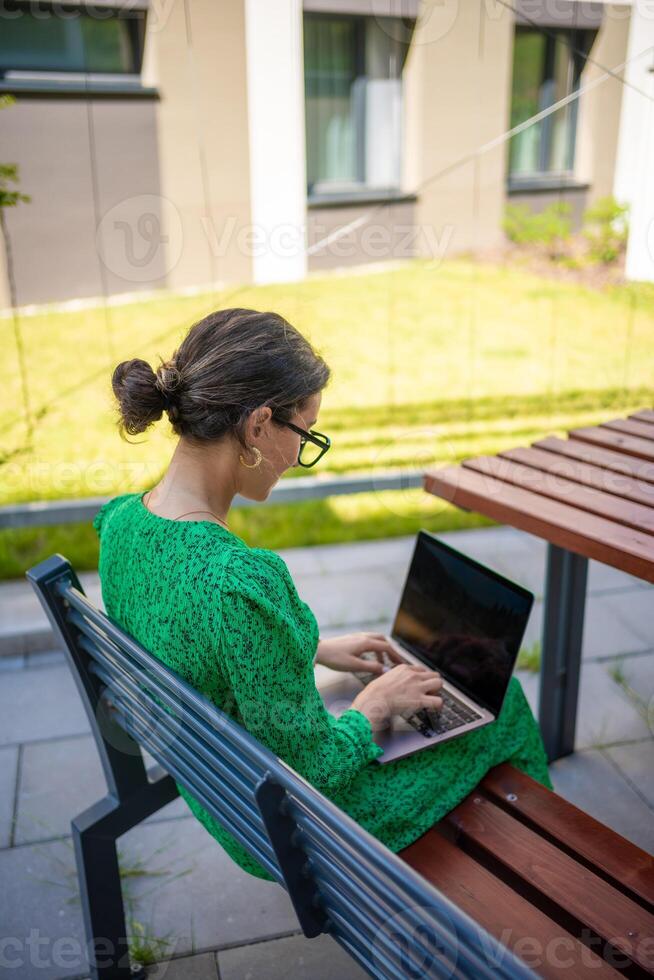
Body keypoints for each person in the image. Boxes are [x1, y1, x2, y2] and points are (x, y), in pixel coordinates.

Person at [93, 307, 553, 882]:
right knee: (503, 703)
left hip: (219, 795)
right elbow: (318, 766)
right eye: (304, 434)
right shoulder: (239, 580)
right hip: (287, 824)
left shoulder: (122, 525)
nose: (300, 458)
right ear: (258, 424)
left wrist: (309, 646)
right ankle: (547, 881)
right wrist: (375, 707)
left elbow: (184, 637)